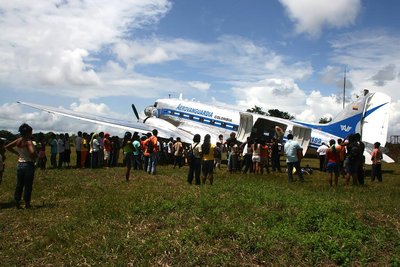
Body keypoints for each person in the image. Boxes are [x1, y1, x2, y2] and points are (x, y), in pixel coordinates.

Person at [6, 123, 37, 209]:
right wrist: (34, 157)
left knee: (19, 184)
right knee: (28, 185)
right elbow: (32, 152)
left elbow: (7, 146)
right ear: (28, 133)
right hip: (28, 164)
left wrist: (17, 153)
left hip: (20, 164)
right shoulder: (28, 142)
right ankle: (27, 203)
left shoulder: (18, 140)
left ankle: (17, 202)